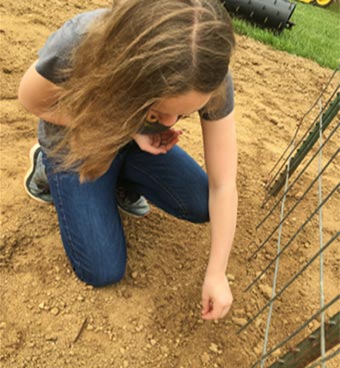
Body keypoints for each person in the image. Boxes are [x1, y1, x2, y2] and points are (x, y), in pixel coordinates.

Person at [18, 0, 238, 321]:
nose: (170, 121)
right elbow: (32, 99)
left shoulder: (207, 70)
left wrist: (218, 273)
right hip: (78, 138)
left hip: (130, 138)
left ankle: (121, 180)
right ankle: (46, 168)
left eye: (184, 113)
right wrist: (123, 128)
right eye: (158, 107)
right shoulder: (84, 40)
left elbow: (224, 183)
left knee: (202, 203)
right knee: (102, 270)